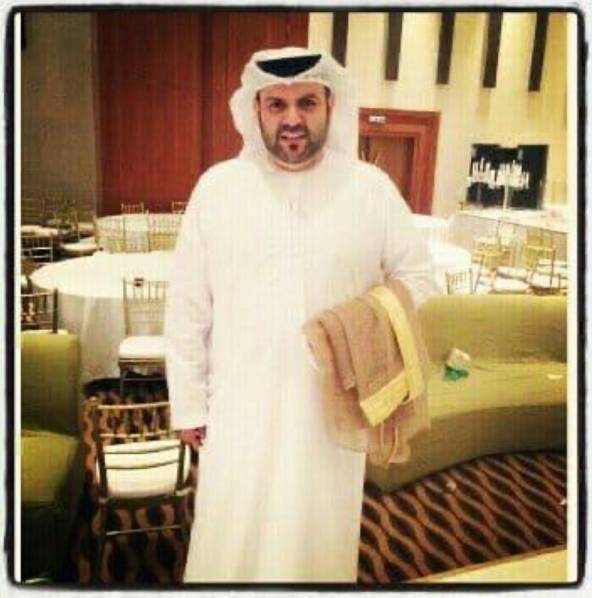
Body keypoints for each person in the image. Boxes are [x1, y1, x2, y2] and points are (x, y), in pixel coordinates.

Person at [164, 46, 438, 583]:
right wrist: (190, 404)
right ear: (255, 109)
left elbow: (420, 276)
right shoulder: (218, 188)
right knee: (231, 533)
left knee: (318, 534)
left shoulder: (370, 189)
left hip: (331, 409)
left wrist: (357, 325)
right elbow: (187, 306)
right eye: (277, 104)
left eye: (307, 102)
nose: (292, 118)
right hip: (239, 405)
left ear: (330, 105)